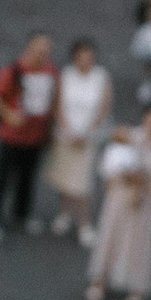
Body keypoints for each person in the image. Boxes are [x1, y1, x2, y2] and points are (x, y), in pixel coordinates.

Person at [86, 106, 151, 300]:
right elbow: (109, 162)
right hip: (120, 195)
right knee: (111, 236)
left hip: (145, 200)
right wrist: (123, 175)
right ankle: (100, 280)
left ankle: (136, 288)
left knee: (140, 244)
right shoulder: (129, 136)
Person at [0, 31, 59, 243]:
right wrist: (8, 114)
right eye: (39, 48)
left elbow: (53, 98)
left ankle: (21, 214)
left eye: (46, 49)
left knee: (28, 178)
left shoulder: (51, 71)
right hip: (11, 137)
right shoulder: (13, 71)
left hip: (36, 135)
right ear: (29, 47)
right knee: (2, 178)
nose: (43, 53)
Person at [46, 38, 113, 242]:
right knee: (64, 177)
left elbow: (103, 108)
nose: (85, 60)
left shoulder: (101, 77)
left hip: (88, 139)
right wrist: (68, 130)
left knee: (82, 183)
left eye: (89, 57)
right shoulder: (66, 75)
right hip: (65, 136)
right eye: (81, 57)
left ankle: (84, 222)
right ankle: (64, 213)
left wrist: (86, 133)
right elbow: (57, 105)